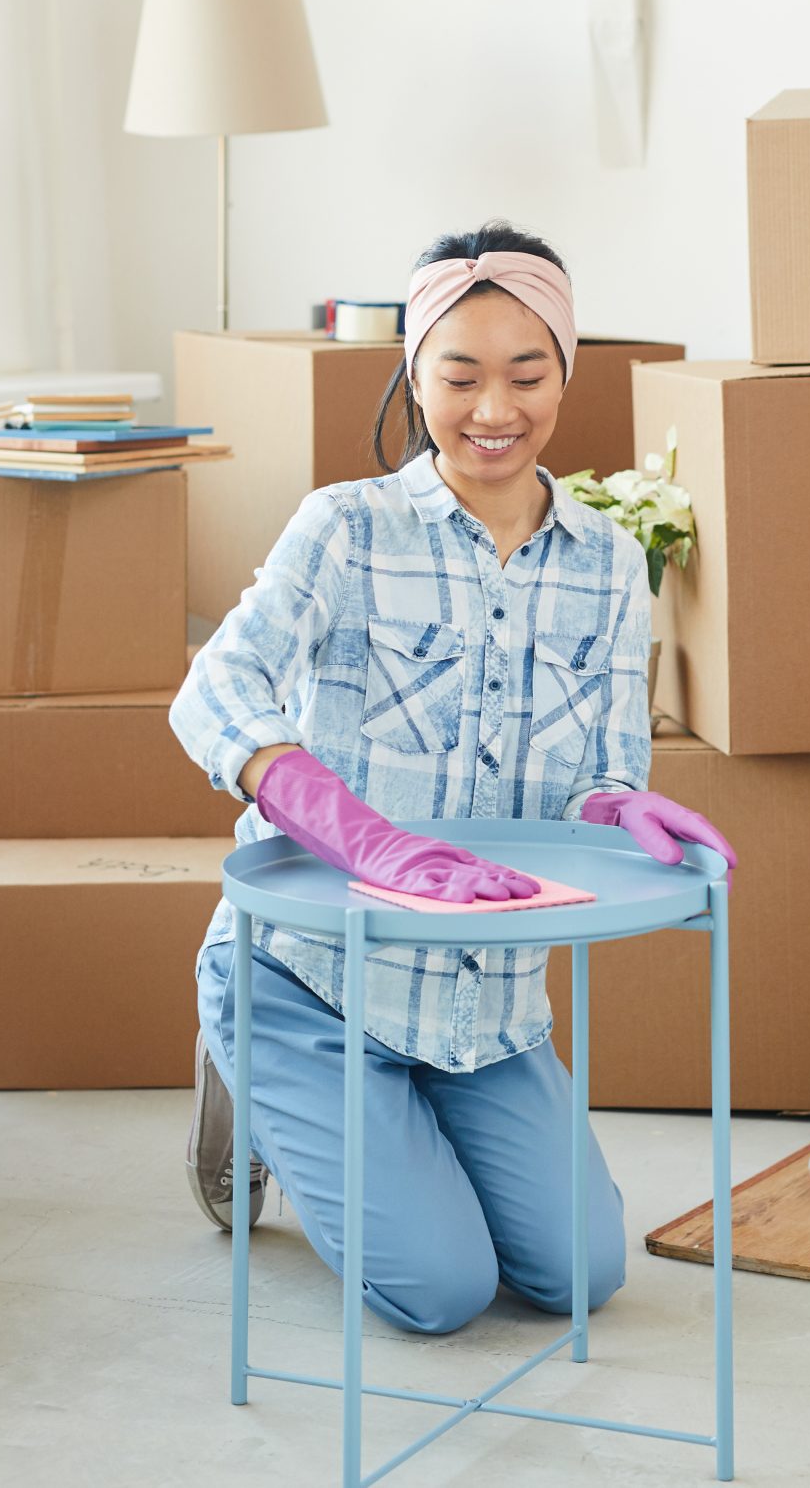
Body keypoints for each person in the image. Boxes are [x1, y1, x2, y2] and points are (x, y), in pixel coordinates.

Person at [169, 221, 737, 1337]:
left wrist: (621, 807)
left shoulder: (610, 562)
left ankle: (402, 1125)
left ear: (565, 377)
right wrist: (360, 837)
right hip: (318, 980)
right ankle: (247, 1066)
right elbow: (214, 690)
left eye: (527, 374)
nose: (494, 410)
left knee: (580, 1280)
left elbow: (599, 771)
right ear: (414, 375)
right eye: (459, 375)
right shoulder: (345, 529)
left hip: (483, 1000)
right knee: (440, 1292)